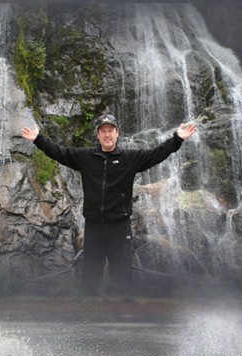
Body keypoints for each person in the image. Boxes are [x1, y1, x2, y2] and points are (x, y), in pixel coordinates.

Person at [19, 114, 197, 294]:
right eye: (103, 131)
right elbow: (59, 152)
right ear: (98, 135)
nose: (107, 135)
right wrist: (38, 139)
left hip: (120, 227)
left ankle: (122, 315)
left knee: (122, 276)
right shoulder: (85, 157)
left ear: (117, 133)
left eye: (110, 131)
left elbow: (156, 154)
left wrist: (177, 139)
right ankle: (90, 314)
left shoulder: (129, 158)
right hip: (94, 226)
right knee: (90, 276)